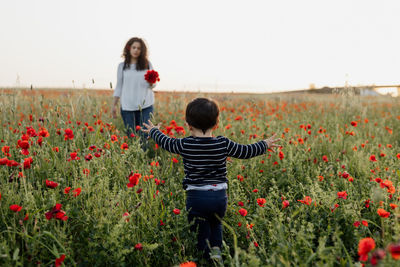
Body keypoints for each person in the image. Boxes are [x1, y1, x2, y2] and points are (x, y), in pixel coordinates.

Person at [141, 98, 281, 261]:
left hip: (197, 198)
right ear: (216, 124)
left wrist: (154, 131)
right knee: (216, 222)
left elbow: (167, 143)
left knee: (201, 229)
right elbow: (246, 151)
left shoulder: (185, 144)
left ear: (188, 124)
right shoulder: (223, 143)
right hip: (219, 197)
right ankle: (217, 251)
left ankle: (206, 257)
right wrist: (264, 144)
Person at [112, 37, 156, 150]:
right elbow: (119, 86)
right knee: (131, 137)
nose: (136, 50)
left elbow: (152, 85)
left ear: (142, 51)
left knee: (145, 135)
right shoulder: (122, 66)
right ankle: (134, 163)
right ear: (129, 48)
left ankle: (145, 163)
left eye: (139, 48)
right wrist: (114, 105)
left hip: (146, 106)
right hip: (127, 106)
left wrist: (152, 82)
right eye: (134, 47)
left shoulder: (147, 65)